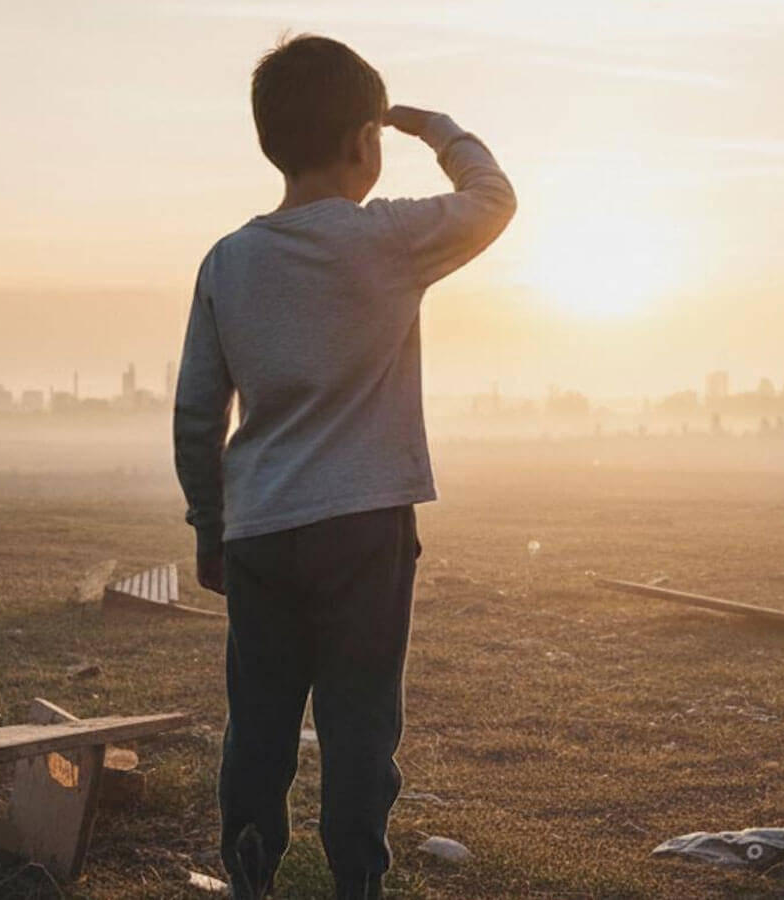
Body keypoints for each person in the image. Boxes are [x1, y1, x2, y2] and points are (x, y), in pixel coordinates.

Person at [172, 34, 515, 900]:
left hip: (259, 530)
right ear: (367, 142)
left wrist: (210, 529)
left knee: (259, 728)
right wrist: (435, 126)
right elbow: (493, 198)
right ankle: (354, 883)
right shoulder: (391, 238)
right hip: (365, 527)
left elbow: (196, 413)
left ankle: (251, 878)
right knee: (360, 726)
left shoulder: (227, 260)